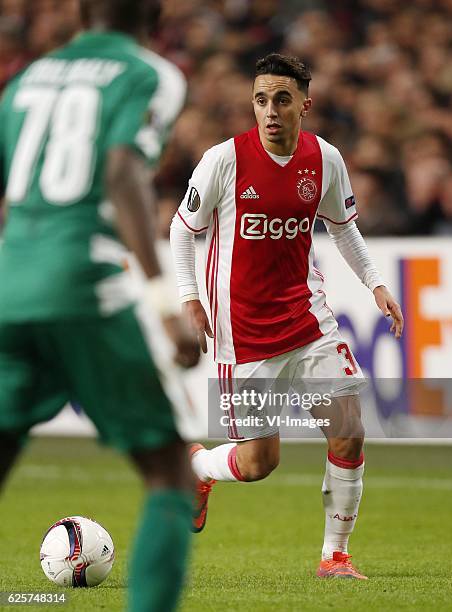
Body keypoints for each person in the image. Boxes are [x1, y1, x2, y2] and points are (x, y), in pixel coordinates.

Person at [170, 53, 404, 580]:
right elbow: (182, 230)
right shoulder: (223, 161)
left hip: (307, 320)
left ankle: (335, 556)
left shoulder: (325, 158)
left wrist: (375, 283)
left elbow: (343, 226)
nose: (269, 110)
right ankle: (197, 467)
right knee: (259, 465)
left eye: (281, 99)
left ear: (305, 103)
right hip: (243, 335)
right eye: (260, 100)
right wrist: (190, 297)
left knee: (348, 431)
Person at [0, 1, 200, 610]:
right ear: (155, 14)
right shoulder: (150, 73)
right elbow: (121, 173)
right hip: (84, 284)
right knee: (169, 472)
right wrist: (166, 300)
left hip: (11, 283)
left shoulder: (26, 78)